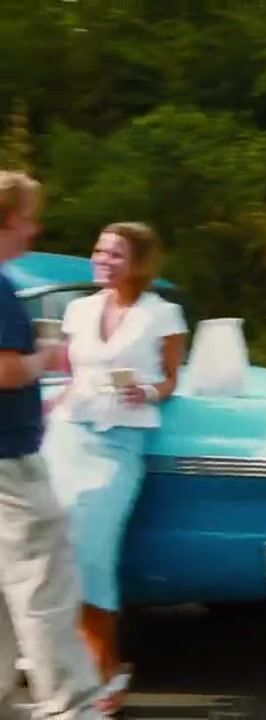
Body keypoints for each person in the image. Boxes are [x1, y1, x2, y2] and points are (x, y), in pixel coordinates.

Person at [42, 222, 188, 714]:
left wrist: (146, 391)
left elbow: (171, 379)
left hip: (120, 439)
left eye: (116, 254)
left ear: (139, 263)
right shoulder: (78, 309)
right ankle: (65, 666)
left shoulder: (162, 314)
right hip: (66, 433)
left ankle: (106, 668)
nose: (103, 260)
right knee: (51, 544)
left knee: (91, 548)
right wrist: (48, 408)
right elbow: (71, 374)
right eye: (99, 251)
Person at [0, 170, 107, 719]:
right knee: (44, 587)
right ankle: (71, 708)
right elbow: (5, 371)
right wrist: (45, 358)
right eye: (27, 218)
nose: (35, 228)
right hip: (8, 464)